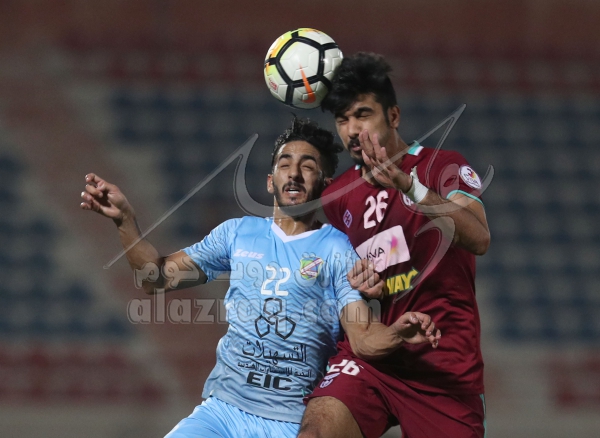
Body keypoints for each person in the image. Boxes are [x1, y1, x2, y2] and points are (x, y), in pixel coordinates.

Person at [80, 117, 441, 438]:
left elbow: (362, 338)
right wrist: (124, 221)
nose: (294, 173)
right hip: (222, 412)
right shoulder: (237, 234)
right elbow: (155, 278)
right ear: (271, 181)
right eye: (285, 164)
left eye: (307, 166)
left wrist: (398, 333)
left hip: (290, 422)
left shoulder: (337, 249)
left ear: (325, 184)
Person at [299, 53, 491, 438]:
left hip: (443, 369)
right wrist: (355, 283)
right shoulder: (338, 196)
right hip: (373, 361)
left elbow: (479, 237)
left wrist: (409, 187)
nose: (353, 130)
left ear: (393, 116)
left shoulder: (442, 166)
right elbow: (337, 273)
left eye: (363, 114)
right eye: (343, 120)